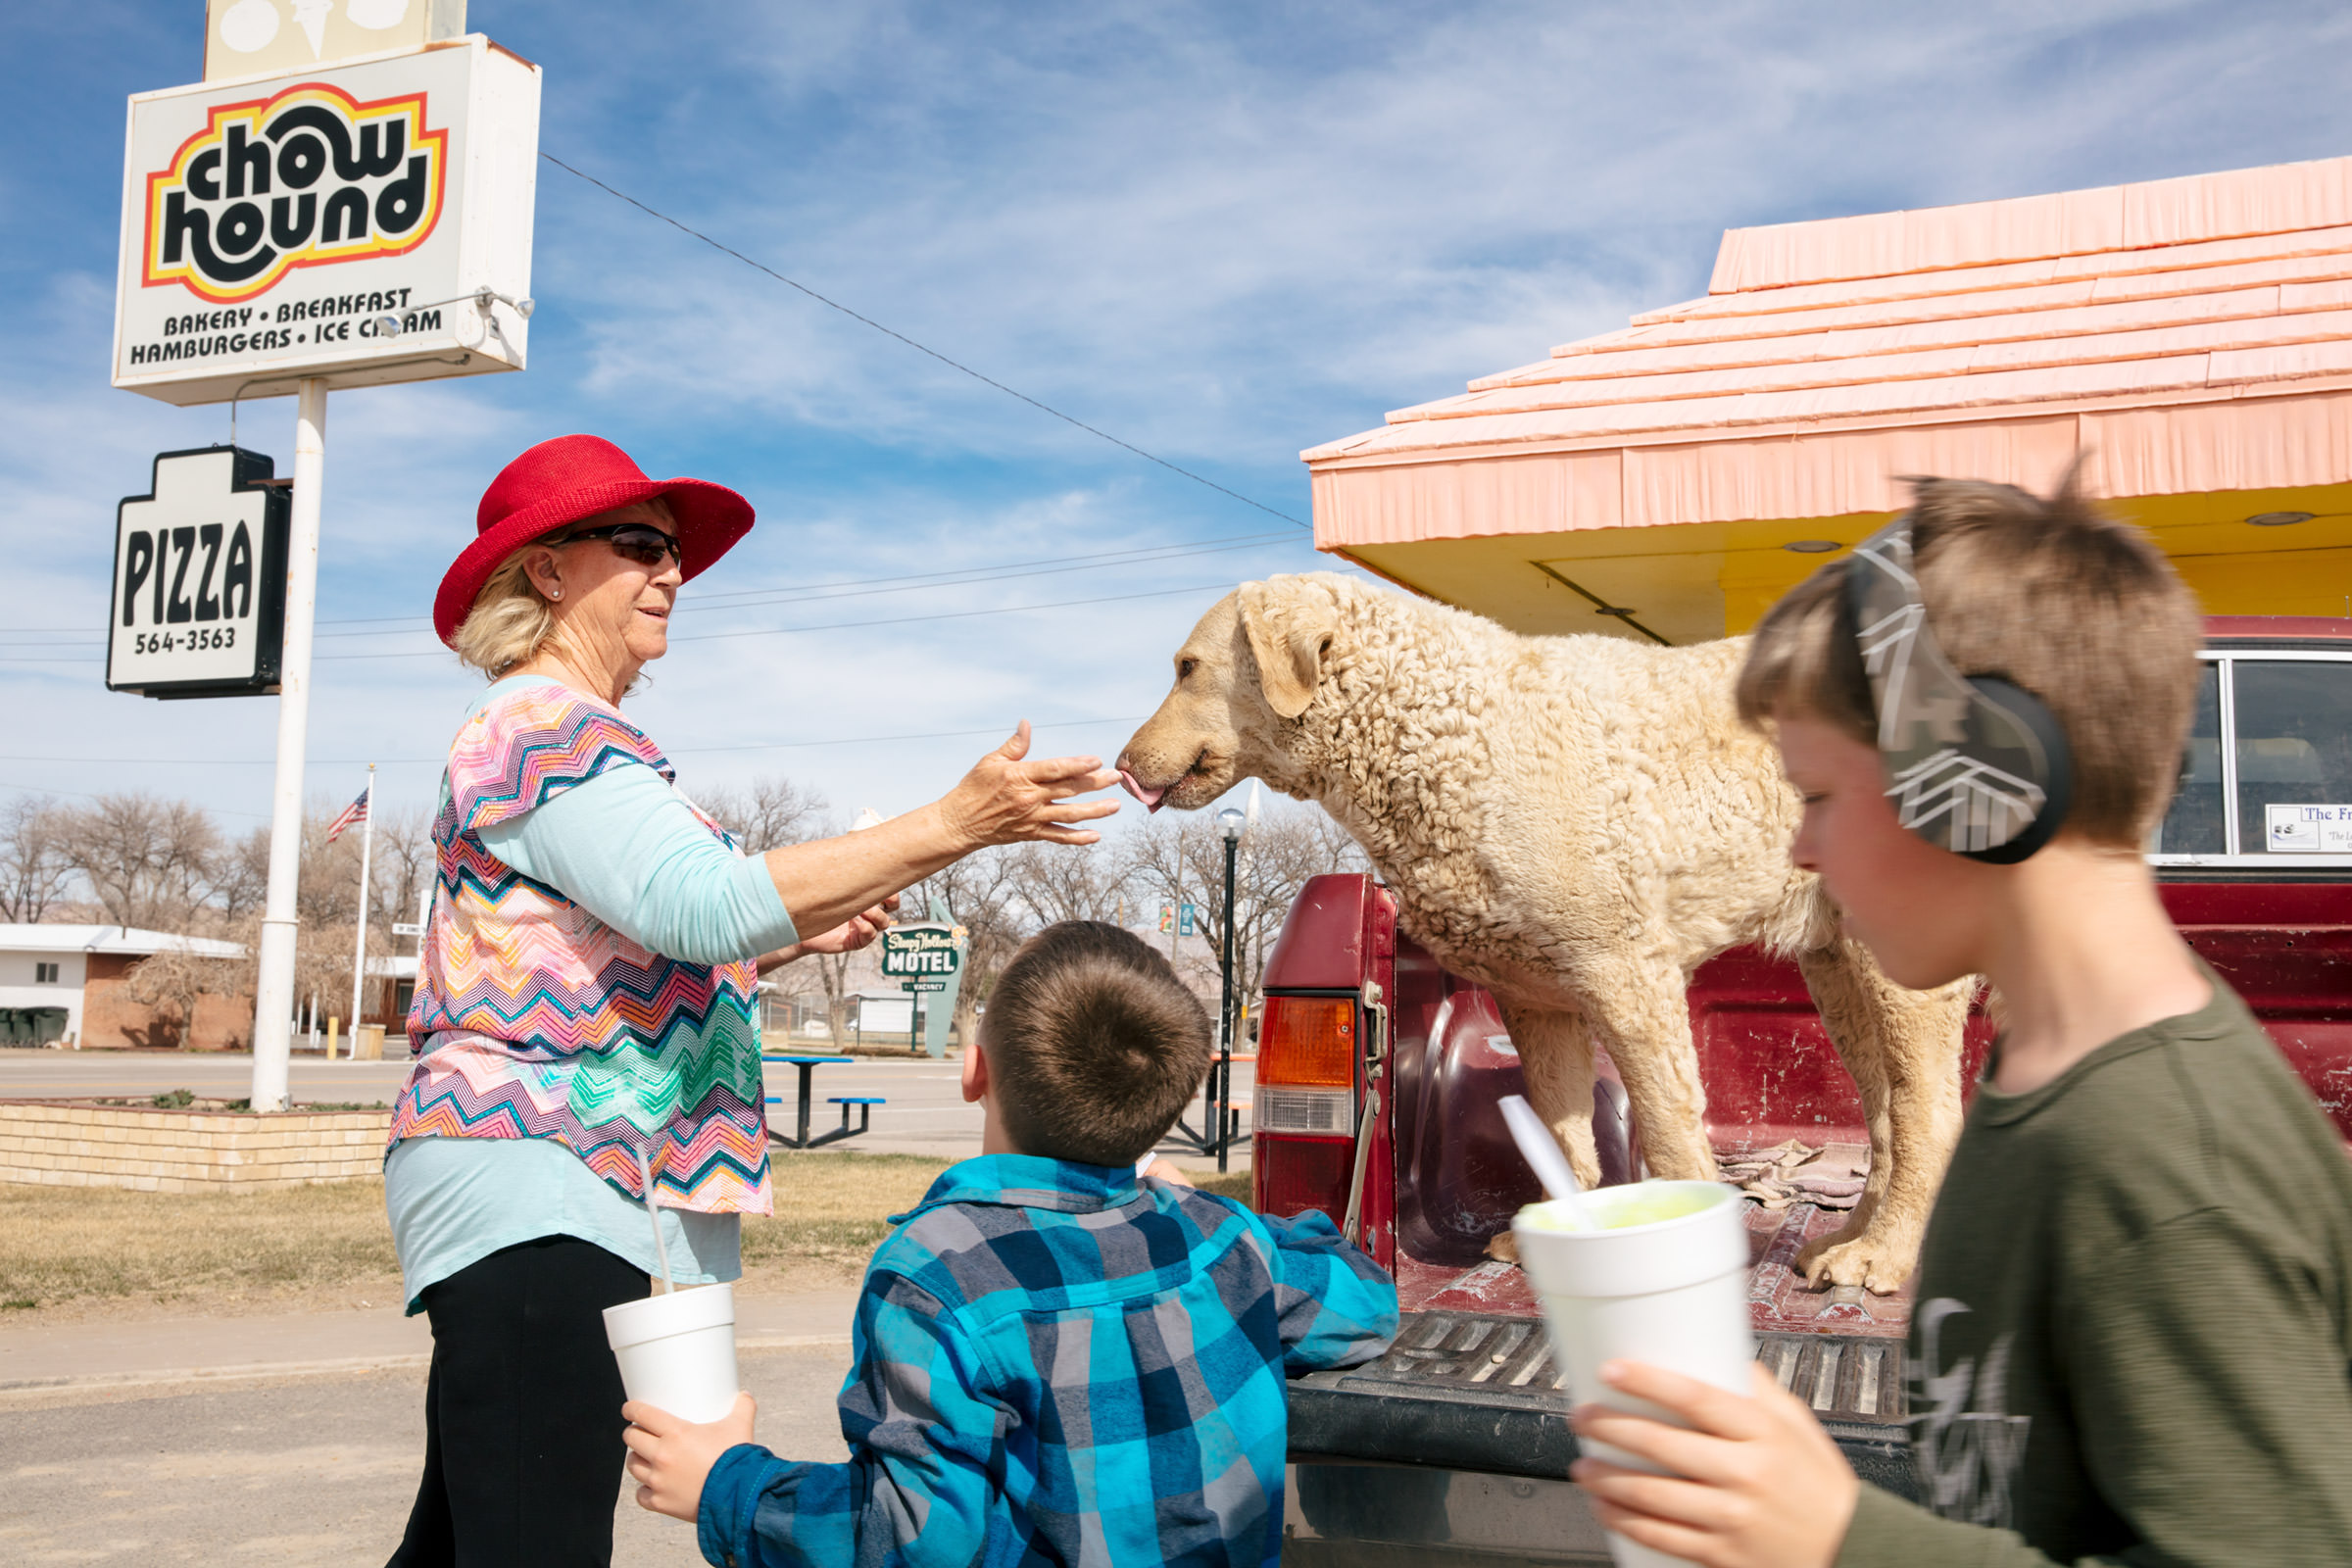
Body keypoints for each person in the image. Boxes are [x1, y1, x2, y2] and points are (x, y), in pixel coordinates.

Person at [1561, 475, 2352, 1566]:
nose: (1798, 847)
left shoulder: (2169, 1171)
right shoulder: (2045, 1077)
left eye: (1822, 797)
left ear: (1980, 783)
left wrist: (1838, 1537)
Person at [384, 434, 1124, 1568]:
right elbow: (702, 904)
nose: (672, 571)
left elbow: (628, 953)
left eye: (675, 551)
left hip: (566, 1182)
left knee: (468, 1536)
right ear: (544, 571)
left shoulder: (588, 740)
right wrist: (952, 823)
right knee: (534, 1539)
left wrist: (782, 939)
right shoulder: (536, 726)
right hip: (544, 1179)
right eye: (639, 545)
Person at [617, 920, 1400, 1567]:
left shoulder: (938, 1276)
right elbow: (1366, 1303)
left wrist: (724, 1483)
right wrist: (1198, 1205)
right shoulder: (1224, 1239)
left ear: (974, 1071)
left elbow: (912, 1540)